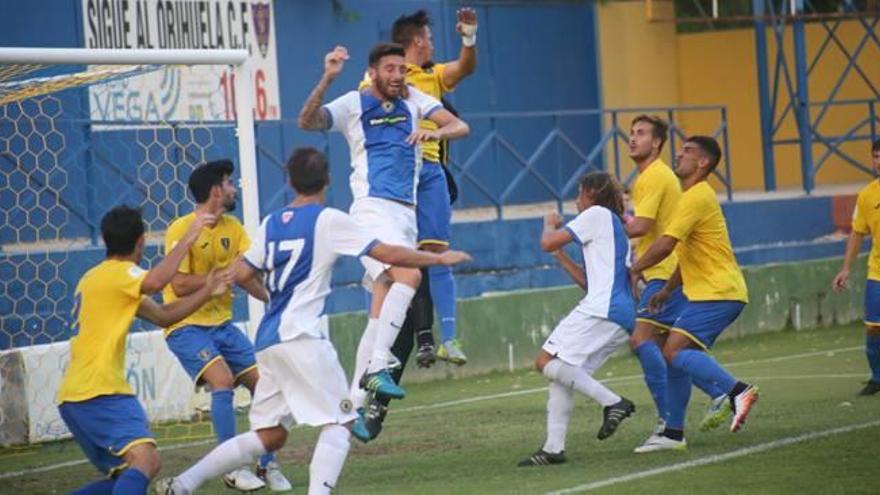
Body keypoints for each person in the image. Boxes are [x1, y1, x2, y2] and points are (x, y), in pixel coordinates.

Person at [154, 147, 472, 495]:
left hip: (269, 341)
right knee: (344, 421)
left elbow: (243, 273)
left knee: (270, 434)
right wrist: (437, 259)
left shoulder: (270, 224)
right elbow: (388, 254)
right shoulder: (329, 220)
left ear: (290, 182)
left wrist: (271, 298)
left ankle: (183, 484)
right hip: (303, 337)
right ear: (328, 180)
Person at [297, 43, 469, 411]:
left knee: (380, 308)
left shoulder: (416, 100)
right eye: (389, 69)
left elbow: (460, 126)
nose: (397, 76)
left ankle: (354, 406)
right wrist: (327, 77)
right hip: (372, 211)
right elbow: (307, 121)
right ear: (373, 72)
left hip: (405, 217)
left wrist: (437, 134)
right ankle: (377, 367)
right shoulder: (353, 103)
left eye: (401, 69)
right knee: (410, 277)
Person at [359, 6, 479, 440]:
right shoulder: (372, 90)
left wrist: (469, 37)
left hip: (426, 185)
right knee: (397, 299)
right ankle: (368, 399)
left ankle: (439, 338)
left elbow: (464, 74)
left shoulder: (428, 81)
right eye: (429, 38)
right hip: (387, 199)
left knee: (427, 264)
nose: (433, 44)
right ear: (415, 41)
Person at [57, 205, 227, 495]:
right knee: (146, 460)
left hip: (76, 395)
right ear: (141, 241)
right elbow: (157, 281)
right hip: (100, 391)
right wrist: (189, 237)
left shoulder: (95, 278)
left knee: (126, 477)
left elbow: (164, 316)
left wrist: (206, 291)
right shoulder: (121, 274)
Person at [162, 160, 290, 491]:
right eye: (229, 182)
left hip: (223, 326)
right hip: (186, 324)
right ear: (216, 191)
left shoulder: (233, 228)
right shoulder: (182, 229)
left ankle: (266, 464)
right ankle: (232, 468)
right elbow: (177, 284)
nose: (234, 187)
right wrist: (213, 280)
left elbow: (245, 274)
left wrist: (273, 301)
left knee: (266, 387)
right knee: (222, 381)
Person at [630, 136, 759, 452]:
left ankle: (735, 390)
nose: (679, 154)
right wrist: (669, 290)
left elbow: (665, 245)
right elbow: (687, 252)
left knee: (673, 351)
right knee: (671, 355)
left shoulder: (696, 196)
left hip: (720, 291)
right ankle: (673, 433)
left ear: (703, 162)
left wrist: (634, 269)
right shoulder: (691, 197)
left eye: (687, 151)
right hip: (708, 291)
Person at [623, 116, 730, 453]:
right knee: (669, 350)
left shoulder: (655, 175)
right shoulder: (647, 178)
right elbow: (647, 228)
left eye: (640, 133)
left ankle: (671, 420)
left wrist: (600, 222)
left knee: (643, 340)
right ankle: (684, 419)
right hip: (665, 272)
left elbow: (642, 226)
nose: (632, 139)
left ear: (657, 144)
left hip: (665, 270)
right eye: (631, 133)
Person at [517, 172, 636, 467]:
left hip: (602, 308)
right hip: (618, 313)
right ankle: (553, 448)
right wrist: (560, 255)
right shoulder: (613, 226)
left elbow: (546, 242)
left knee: (545, 361)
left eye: (580, 192)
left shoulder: (596, 213)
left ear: (594, 192)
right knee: (564, 373)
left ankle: (613, 402)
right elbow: (587, 281)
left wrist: (548, 225)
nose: (576, 200)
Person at [832, 138, 880, 396]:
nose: (879, 161)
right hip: (877, 273)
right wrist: (846, 268)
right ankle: (877, 377)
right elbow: (857, 233)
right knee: (873, 327)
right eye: (876, 155)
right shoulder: (867, 195)